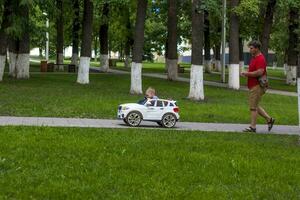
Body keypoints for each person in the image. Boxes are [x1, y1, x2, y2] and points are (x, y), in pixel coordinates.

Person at [241, 40, 275, 133]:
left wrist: (246, 74)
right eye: (250, 48)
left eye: (251, 48)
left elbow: (260, 72)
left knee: (253, 107)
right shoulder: (254, 57)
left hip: (257, 86)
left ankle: (253, 127)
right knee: (255, 105)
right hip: (253, 85)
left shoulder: (260, 58)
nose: (250, 50)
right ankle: (269, 119)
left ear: (257, 48)